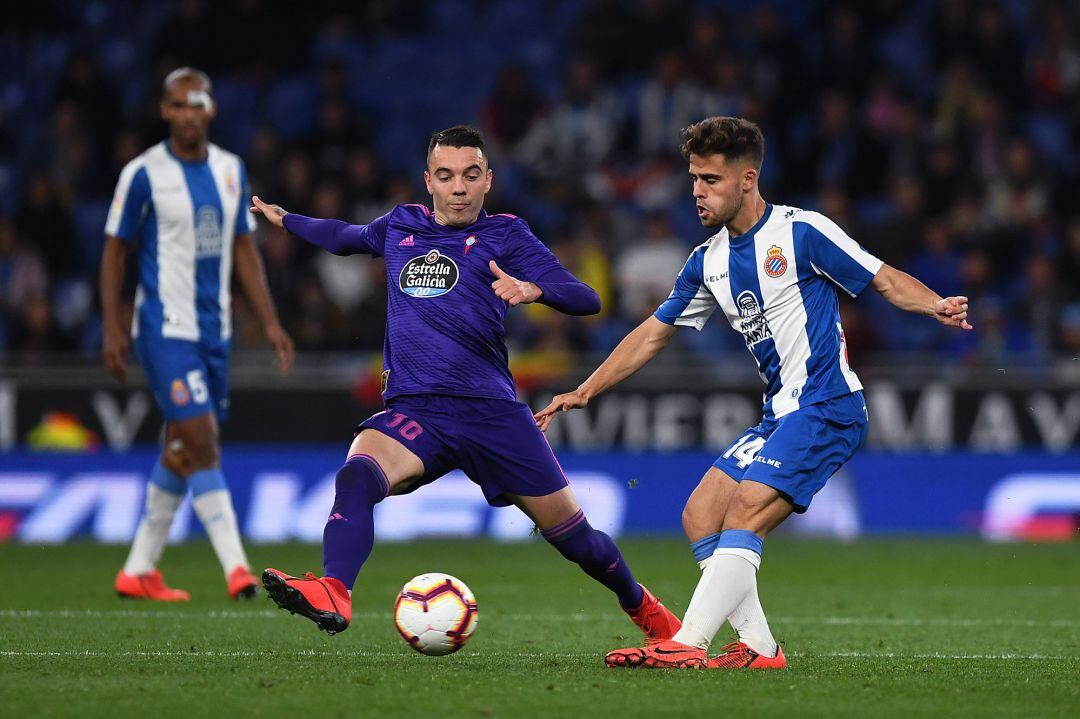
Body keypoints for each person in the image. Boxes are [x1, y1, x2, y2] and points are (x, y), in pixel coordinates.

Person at [535, 116, 973, 669]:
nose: (697, 191)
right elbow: (651, 334)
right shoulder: (706, 261)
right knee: (700, 513)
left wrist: (934, 303)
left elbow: (881, 277)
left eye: (711, 180)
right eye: (694, 179)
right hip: (778, 414)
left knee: (745, 509)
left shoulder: (800, 232)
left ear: (747, 179)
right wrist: (585, 389)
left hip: (826, 404)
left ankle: (688, 645)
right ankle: (760, 649)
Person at [250, 125, 680, 642]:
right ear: (427, 180)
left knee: (578, 541)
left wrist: (532, 288)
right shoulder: (399, 225)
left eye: (471, 176)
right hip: (418, 410)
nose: (459, 187)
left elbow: (586, 298)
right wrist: (286, 219)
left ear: (488, 181)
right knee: (357, 474)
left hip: (491, 414)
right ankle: (334, 590)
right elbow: (344, 238)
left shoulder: (506, 234)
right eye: (447, 176)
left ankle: (646, 610)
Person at [101, 67, 294, 601]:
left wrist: (272, 322)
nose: (188, 114)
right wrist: (114, 325)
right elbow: (115, 249)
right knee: (203, 439)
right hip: (164, 328)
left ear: (210, 109)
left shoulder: (231, 170)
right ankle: (237, 569)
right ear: (165, 111)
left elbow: (243, 249)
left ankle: (138, 569)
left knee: (182, 447)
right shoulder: (143, 173)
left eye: (197, 104)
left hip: (215, 331)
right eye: (178, 105)